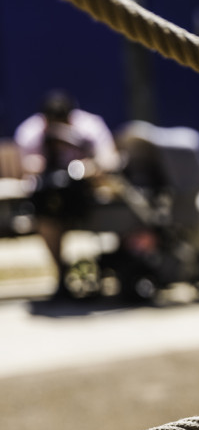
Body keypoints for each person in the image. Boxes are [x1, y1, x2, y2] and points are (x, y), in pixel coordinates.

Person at [14, 89, 120, 298]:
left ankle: (122, 262)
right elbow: (27, 167)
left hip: (87, 192)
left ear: (71, 118)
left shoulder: (89, 127)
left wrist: (88, 167)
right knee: (46, 215)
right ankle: (62, 274)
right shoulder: (31, 131)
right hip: (50, 197)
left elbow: (111, 160)